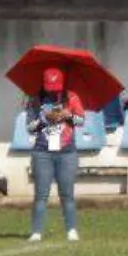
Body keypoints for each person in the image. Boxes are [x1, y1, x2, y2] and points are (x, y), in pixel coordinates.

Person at [23, 67, 85, 242]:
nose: (53, 92)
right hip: (42, 152)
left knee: (67, 194)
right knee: (41, 195)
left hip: (67, 153)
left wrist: (68, 115)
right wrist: (43, 119)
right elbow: (29, 128)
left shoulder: (72, 97)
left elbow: (82, 120)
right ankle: (36, 232)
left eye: (56, 88)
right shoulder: (35, 100)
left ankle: (71, 230)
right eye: (50, 88)